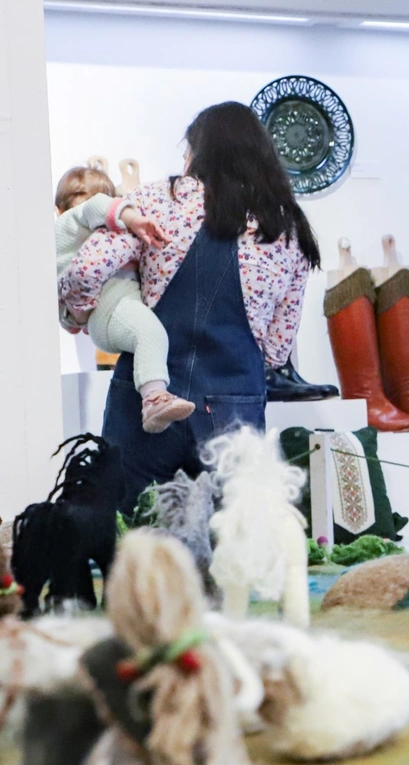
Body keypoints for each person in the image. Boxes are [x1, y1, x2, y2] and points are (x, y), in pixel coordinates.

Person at [60, 102, 321, 510]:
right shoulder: (286, 229)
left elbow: (86, 269)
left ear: (198, 153)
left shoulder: (158, 201)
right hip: (234, 411)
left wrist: (81, 312)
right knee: (233, 547)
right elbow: (276, 351)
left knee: (134, 540)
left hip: (146, 402)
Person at [55, 166, 194, 433]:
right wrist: (132, 219)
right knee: (151, 334)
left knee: (148, 334)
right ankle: (154, 399)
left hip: (104, 311)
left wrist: (73, 318)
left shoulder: (57, 236)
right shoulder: (79, 218)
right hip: (113, 304)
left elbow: (67, 308)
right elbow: (95, 206)